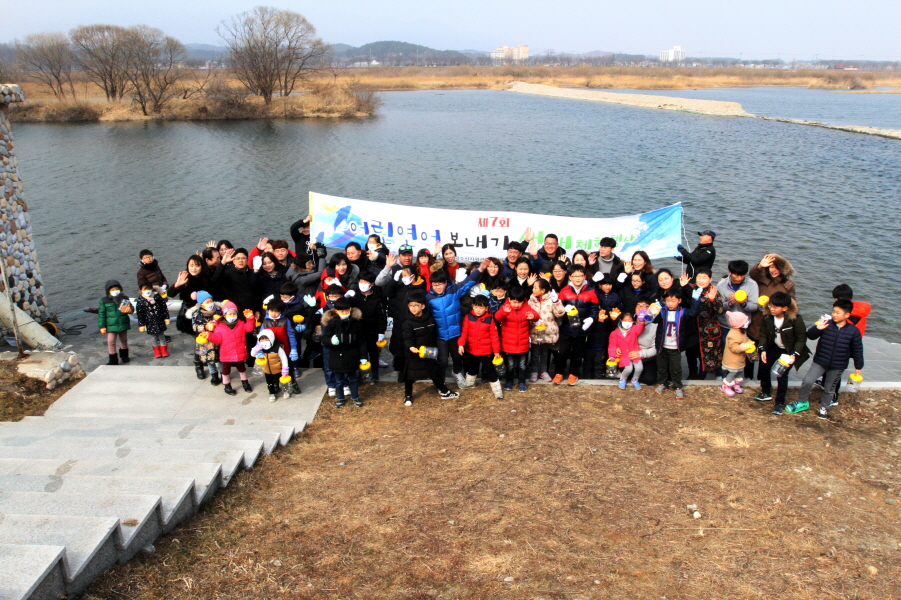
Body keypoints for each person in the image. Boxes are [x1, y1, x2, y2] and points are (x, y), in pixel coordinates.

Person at [788, 299, 864, 419]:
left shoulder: (853, 331)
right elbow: (810, 336)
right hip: (820, 361)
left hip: (838, 365)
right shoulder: (826, 324)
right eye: (833, 311)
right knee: (807, 381)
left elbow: (857, 350)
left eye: (838, 312)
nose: (834, 314)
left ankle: (824, 407)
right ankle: (802, 402)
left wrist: (858, 366)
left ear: (847, 315)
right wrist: (817, 328)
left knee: (829, 388)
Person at [427, 262, 486, 387]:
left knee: (458, 357)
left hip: (455, 333)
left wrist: (480, 270)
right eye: (435, 285)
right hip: (440, 336)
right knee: (442, 360)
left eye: (440, 284)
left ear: (446, 283)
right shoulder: (428, 298)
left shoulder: (453, 290)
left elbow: (468, 282)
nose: (437, 287)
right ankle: (440, 382)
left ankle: (457, 373)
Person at [755, 291, 810, 414]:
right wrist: (763, 349)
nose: (771, 309)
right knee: (764, 367)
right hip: (773, 347)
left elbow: (801, 338)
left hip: (788, 351)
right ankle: (766, 392)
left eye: (775, 307)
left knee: (781, 374)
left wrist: (794, 354)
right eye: (770, 305)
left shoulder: (795, 319)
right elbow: (763, 334)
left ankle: (779, 402)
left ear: (785, 308)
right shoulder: (767, 318)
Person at [401, 292, 460, 406]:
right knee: (410, 375)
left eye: (416, 305)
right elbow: (407, 338)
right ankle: (408, 396)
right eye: (411, 306)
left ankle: (443, 391)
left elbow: (433, 334)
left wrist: (435, 349)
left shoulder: (430, 319)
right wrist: (411, 347)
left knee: (434, 372)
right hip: (415, 353)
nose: (413, 308)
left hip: (429, 351)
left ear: (422, 306)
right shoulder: (408, 322)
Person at [554, 265, 599, 385]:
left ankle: (574, 374)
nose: (578, 278)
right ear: (570, 277)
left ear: (585, 276)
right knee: (562, 352)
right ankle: (559, 372)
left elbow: (595, 308)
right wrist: (562, 308)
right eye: (575, 276)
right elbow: (557, 309)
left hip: (582, 329)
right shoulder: (564, 291)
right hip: (566, 328)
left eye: (580, 276)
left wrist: (590, 319)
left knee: (578, 353)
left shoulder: (591, 291)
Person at [382, 261, 427, 379]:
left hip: (411, 324)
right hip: (398, 323)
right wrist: (394, 280)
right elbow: (387, 292)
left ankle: (412, 373)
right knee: (398, 347)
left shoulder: (420, 289)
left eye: (406, 275)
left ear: (413, 276)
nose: (404, 278)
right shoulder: (400, 286)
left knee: (410, 347)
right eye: (402, 275)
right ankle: (399, 370)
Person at [653, 289, 701, 399]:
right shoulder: (662, 311)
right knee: (661, 367)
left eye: (673, 300)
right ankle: (662, 383)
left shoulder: (683, 312)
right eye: (668, 300)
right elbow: (653, 320)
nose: (670, 303)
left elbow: (694, 312)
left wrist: (695, 300)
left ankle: (677, 386)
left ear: (679, 301)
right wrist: (654, 310)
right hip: (662, 345)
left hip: (675, 346)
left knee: (676, 368)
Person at [715, 260, 759, 377]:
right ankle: (723, 375)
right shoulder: (721, 285)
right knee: (725, 350)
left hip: (744, 326)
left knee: (741, 351)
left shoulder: (752, 285)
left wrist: (744, 303)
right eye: (736, 275)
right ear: (730, 272)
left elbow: (755, 306)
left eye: (742, 275)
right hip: (726, 324)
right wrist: (730, 303)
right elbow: (719, 307)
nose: (739, 278)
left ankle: (738, 375)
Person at [322, 297, 366, 408]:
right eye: (342, 311)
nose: (344, 312)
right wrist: (331, 341)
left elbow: (361, 341)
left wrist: (363, 356)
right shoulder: (332, 323)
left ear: (350, 309)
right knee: (339, 380)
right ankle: (340, 398)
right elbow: (324, 339)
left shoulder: (356, 323)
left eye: (346, 310)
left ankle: (355, 396)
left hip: (352, 355)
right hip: (337, 356)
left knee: (353, 378)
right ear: (336, 311)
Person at [205, 301, 256, 396]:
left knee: (242, 368)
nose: (232, 315)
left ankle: (245, 383)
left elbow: (249, 328)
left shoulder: (240, 323)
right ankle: (227, 385)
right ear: (224, 315)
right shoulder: (219, 326)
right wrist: (209, 335)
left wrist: (250, 319)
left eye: (234, 313)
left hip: (239, 351)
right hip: (226, 353)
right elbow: (218, 339)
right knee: (225, 370)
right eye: (230, 314)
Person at [458, 295, 503, 399]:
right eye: (476, 307)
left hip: (486, 351)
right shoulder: (468, 317)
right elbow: (464, 332)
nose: (478, 310)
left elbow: (494, 337)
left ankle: (497, 390)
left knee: (490, 371)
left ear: (486, 308)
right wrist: (461, 344)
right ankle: (470, 383)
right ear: (473, 306)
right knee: (471, 368)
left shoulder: (490, 319)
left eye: (481, 307)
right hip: (471, 349)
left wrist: (496, 351)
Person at [495, 286, 539, 392]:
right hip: (508, 344)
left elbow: (536, 315)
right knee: (510, 365)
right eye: (514, 302)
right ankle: (509, 382)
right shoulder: (506, 307)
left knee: (522, 365)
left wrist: (533, 316)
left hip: (523, 343)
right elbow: (497, 317)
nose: (516, 304)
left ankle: (522, 382)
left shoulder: (526, 307)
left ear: (523, 301)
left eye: (518, 302)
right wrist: (504, 312)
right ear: (509, 299)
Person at [688, 270, 724, 379]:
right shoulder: (690, 288)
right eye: (699, 277)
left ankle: (702, 374)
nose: (701, 280)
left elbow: (720, 311)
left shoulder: (714, 291)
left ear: (710, 279)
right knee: (691, 351)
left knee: (706, 353)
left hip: (707, 328)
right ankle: (692, 372)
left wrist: (712, 299)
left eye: (704, 277)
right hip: (692, 326)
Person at [527, 278, 565, 382]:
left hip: (547, 332)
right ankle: (534, 371)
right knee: (534, 353)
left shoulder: (551, 299)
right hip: (534, 331)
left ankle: (543, 371)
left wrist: (556, 301)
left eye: (535, 288)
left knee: (545, 353)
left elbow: (560, 313)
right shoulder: (531, 300)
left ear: (543, 290)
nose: (533, 290)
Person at [585, 274, 622, 379]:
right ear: (600, 285)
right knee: (591, 352)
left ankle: (604, 373)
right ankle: (588, 374)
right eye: (605, 284)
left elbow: (619, 310)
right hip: (595, 326)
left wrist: (615, 319)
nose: (608, 286)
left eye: (609, 284)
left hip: (609, 327)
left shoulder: (615, 296)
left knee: (606, 350)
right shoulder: (595, 293)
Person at [354, 271, 388, 384]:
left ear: (371, 284)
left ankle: (374, 372)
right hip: (358, 331)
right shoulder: (355, 297)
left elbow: (382, 316)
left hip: (372, 330)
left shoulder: (377, 298)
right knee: (359, 353)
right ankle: (359, 373)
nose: (362, 284)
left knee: (373, 353)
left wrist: (381, 332)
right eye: (360, 281)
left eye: (365, 282)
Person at [170, 256, 211, 334]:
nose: (194, 268)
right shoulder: (184, 279)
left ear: (202, 266)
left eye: (197, 265)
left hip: (204, 313)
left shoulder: (207, 279)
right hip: (188, 315)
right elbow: (170, 294)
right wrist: (177, 284)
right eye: (191, 266)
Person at [97, 279, 132, 365]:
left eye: (116, 289)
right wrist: (102, 326)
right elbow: (101, 314)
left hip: (123, 323)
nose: (115, 291)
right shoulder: (104, 301)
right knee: (111, 341)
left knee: (123, 340)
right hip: (111, 325)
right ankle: (113, 360)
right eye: (112, 290)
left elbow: (131, 309)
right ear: (108, 291)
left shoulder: (124, 299)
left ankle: (124, 356)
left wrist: (129, 309)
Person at [191, 291, 222, 384]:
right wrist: (204, 327)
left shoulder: (218, 311)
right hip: (206, 342)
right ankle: (214, 376)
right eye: (207, 302)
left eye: (211, 301)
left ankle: (223, 374)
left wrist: (216, 324)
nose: (210, 304)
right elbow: (194, 327)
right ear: (201, 304)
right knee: (209, 360)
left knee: (220, 359)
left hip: (217, 340)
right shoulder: (197, 315)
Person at [252, 329, 291, 402]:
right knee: (269, 383)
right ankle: (271, 393)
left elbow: (284, 358)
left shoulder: (277, 348)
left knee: (282, 381)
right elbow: (252, 354)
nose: (264, 341)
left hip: (278, 368)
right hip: (267, 370)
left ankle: (285, 392)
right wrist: (255, 350)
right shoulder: (260, 349)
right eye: (262, 339)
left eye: (266, 339)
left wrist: (285, 368)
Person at [608, 313, 645, 390]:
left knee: (639, 368)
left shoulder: (634, 329)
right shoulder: (614, 333)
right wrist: (612, 356)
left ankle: (634, 380)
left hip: (635, 352)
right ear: (621, 321)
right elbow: (612, 346)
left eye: (630, 320)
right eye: (625, 320)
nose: (627, 322)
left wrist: (641, 321)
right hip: (624, 354)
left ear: (633, 322)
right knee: (628, 369)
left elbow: (640, 329)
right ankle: (623, 379)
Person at [720, 311, 753, 396]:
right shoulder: (733, 334)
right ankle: (726, 385)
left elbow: (745, 339)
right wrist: (745, 346)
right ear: (739, 324)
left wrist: (749, 342)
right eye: (745, 321)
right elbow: (734, 348)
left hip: (740, 359)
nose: (747, 322)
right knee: (732, 373)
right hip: (732, 361)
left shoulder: (742, 331)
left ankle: (736, 384)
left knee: (739, 372)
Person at [135, 283, 170, 358]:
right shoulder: (141, 301)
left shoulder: (158, 297)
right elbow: (140, 314)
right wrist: (141, 325)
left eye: (148, 289)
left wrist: (166, 318)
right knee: (154, 338)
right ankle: (157, 351)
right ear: (141, 291)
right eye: (145, 289)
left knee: (161, 336)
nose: (147, 291)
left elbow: (164, 308)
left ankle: (164, 350)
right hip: (149, 322)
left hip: (159, 321)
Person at [633, 297, 659, 385]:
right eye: (639, 306)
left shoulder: (655, 326)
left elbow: (655, 349)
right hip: (629, 356)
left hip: (646, 358)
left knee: (649, 379)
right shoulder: (628, 322)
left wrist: (640, 354)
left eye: (645, 306)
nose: (641, 308)